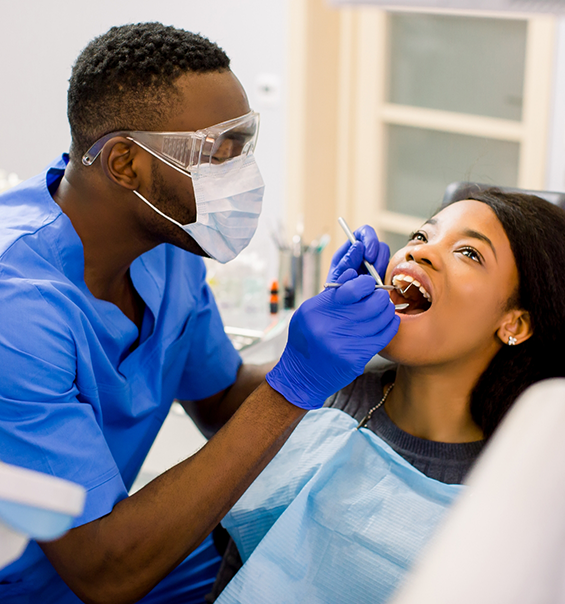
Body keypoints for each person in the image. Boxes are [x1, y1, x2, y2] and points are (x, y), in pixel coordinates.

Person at [0, 23, 400, 604]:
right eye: (219, 151)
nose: (243, 172)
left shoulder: (166, 246)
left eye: (246, 143)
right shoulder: (17, 308)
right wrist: (294, 383)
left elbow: (217, 399)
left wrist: (346, 345)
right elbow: (104, 573)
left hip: (119, 553)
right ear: (125, 163)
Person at [212, 189, 565, 604]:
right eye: (421, 235)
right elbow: (239, 567)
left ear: (516, 323)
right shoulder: (325, 393)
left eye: (469, 253)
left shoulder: (520, 484)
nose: (422, 253)